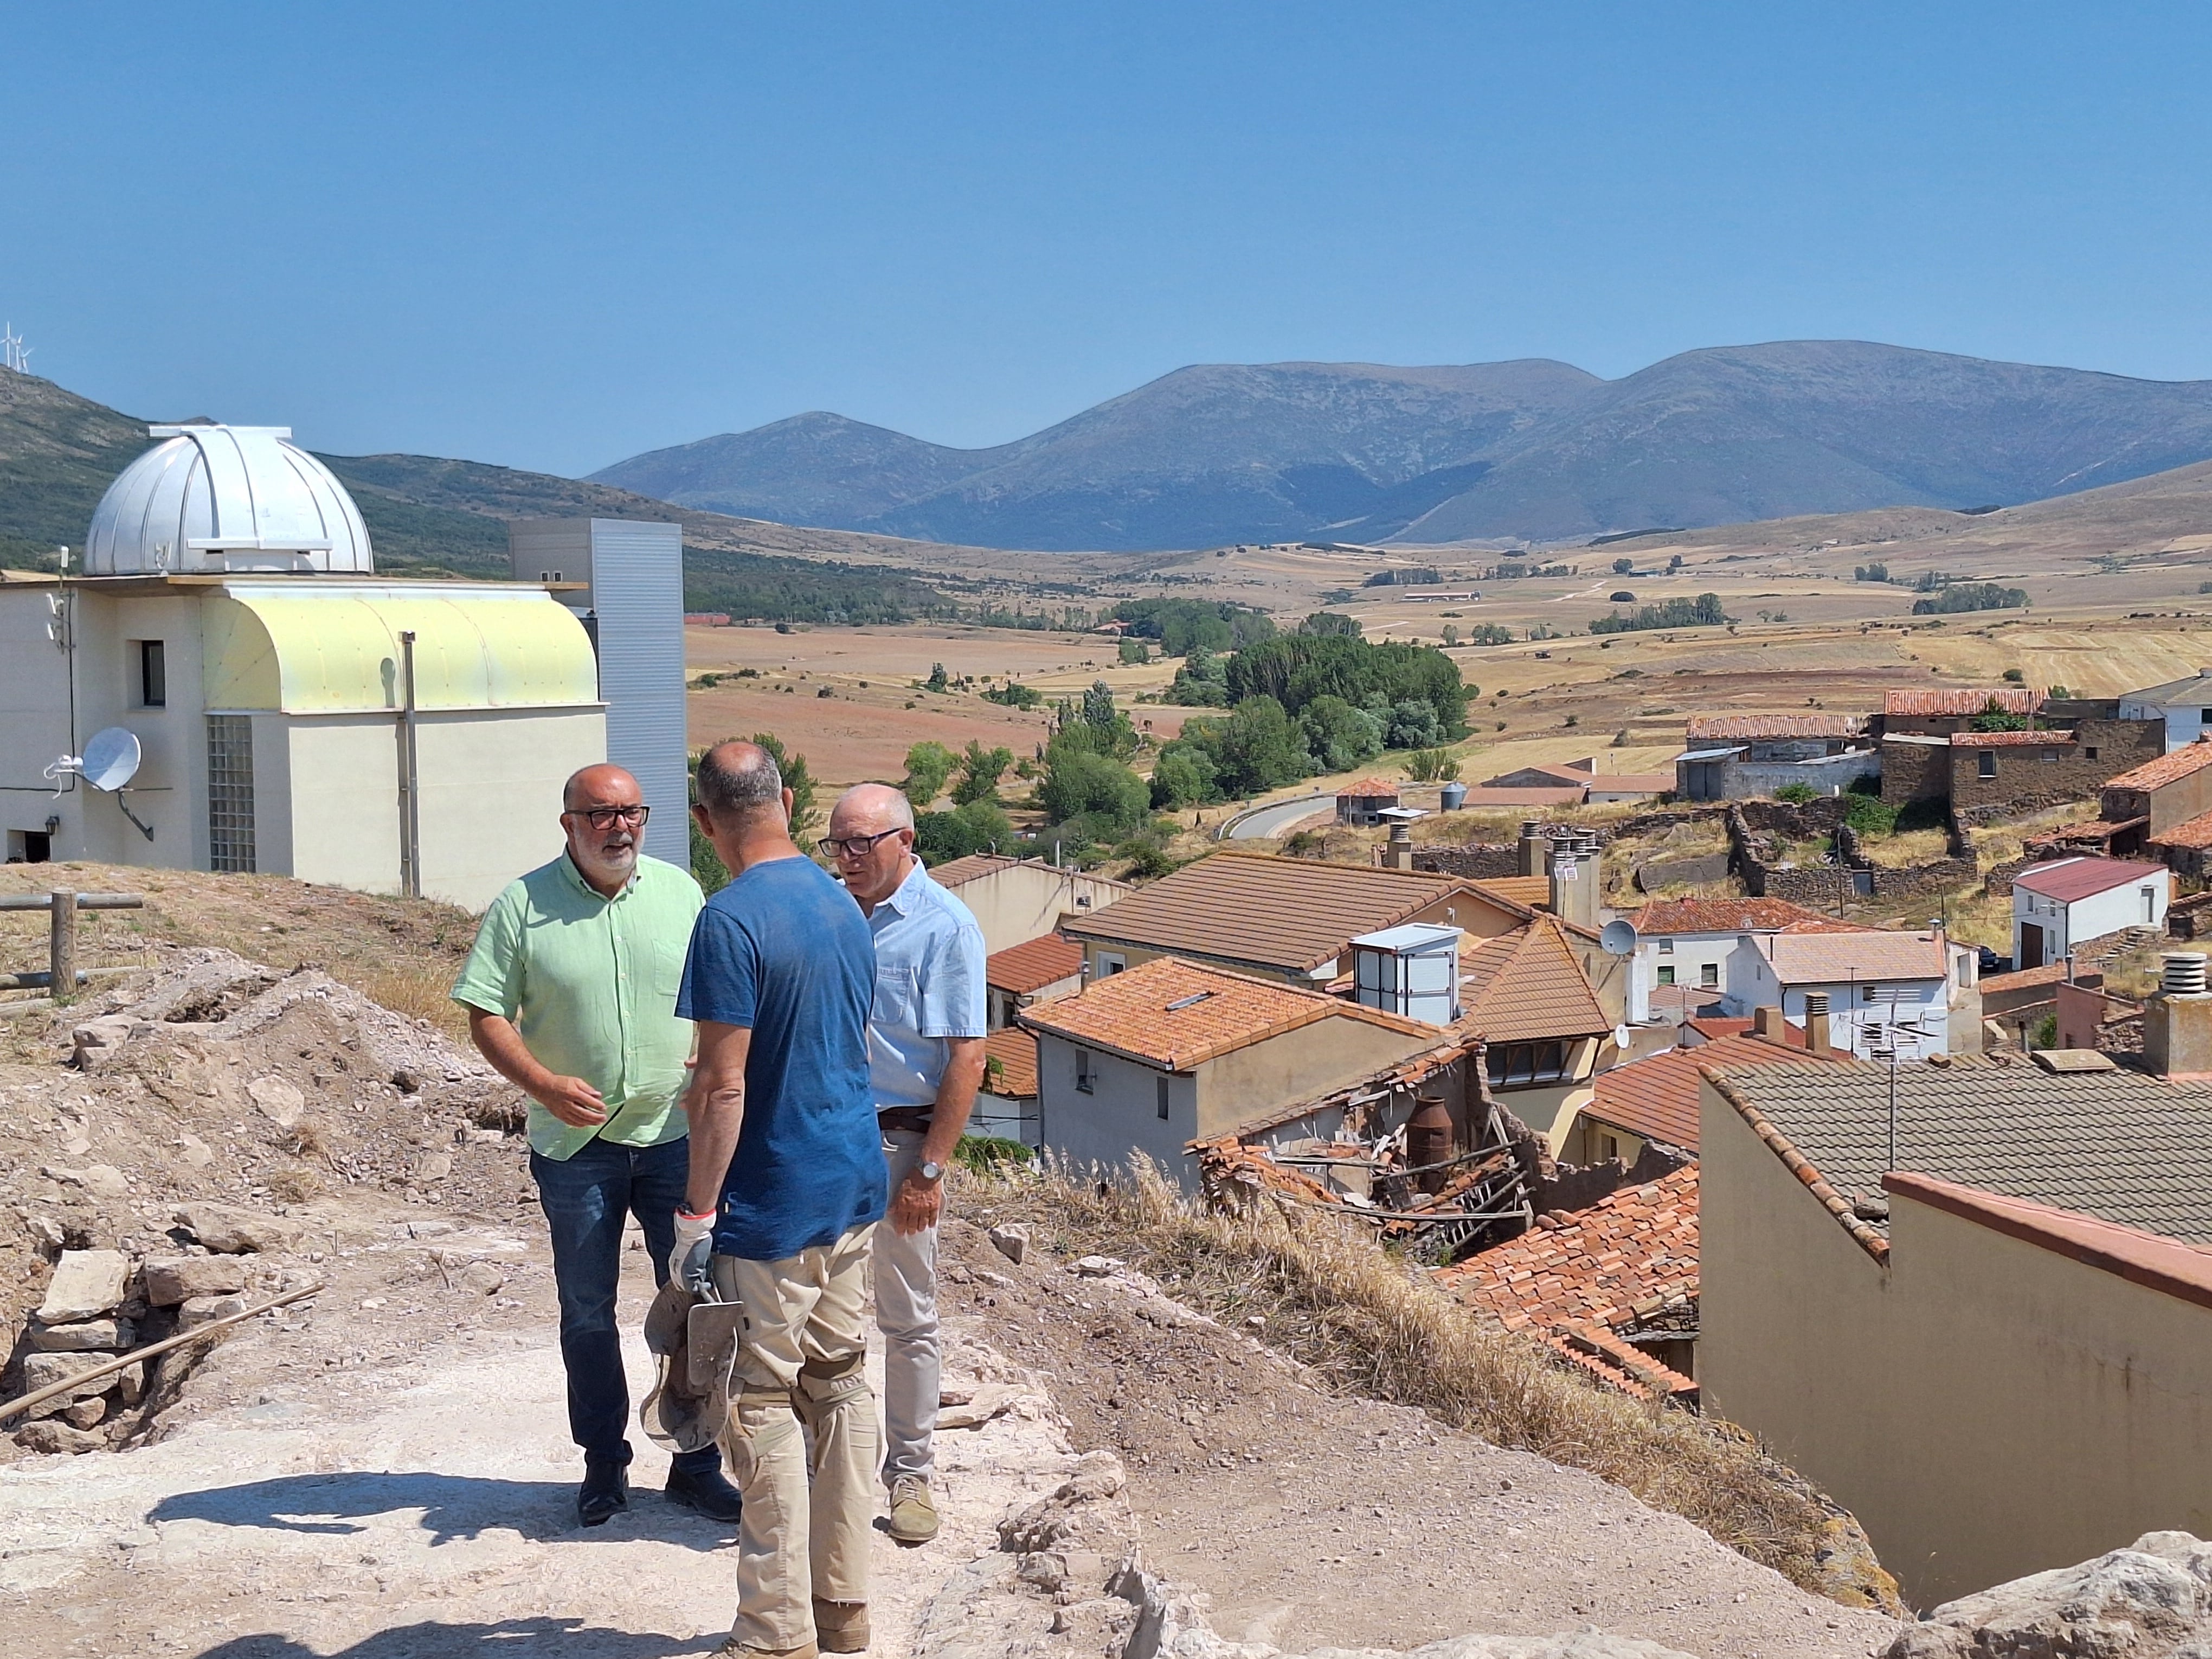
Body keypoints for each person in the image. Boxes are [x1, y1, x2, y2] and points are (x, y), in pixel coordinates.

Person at [452, 764, 744, 1527]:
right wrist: (543, 1084)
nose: (620, 828)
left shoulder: (682, 893)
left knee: (692, 1302)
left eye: (631, 813)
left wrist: (710, 1053)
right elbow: (485, 1011)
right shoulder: (523, 905)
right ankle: (603, 1464)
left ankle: (696, 1461)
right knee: (587, 1309)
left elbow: (720, 985)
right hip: (575, 1149)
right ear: (569, 824)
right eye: (601, 815)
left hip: (675, 1138)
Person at [673, 742, 886, 1659]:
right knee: (839, 1385)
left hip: (774, 1200)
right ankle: (844, 1610)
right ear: (789, 801)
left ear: (701, 819)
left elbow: (722, 1088)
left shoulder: (729, 921)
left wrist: (694, 1219)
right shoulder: (841, 902)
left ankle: (772, 1635)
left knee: (756, 1400)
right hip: (852, 1182)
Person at [821, 783, 987, 1545]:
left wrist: (930, 1172)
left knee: (907, 1317)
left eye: (861, 844)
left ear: (906, 841)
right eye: (837, 844)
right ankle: (826, 1469)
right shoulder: (830, 913)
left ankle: (911, 1473)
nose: (847, 858)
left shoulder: (945, 928)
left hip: (896, 1149)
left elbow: (967, 1056)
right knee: (817, 1307)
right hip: (823, 1139)